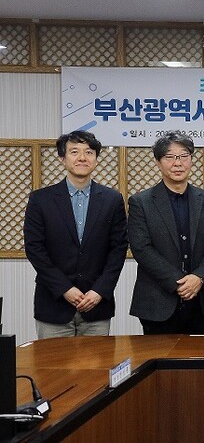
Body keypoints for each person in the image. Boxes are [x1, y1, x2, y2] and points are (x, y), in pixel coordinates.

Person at [23, 130, 128, 339]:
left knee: (97, 361)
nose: (82, 158)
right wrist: (64, 289)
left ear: (96, 159)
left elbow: (118, 249)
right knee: (54, 361)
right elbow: (34, 249)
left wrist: (99, 291)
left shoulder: (112, 199)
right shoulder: (40, 200)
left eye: (89, 152)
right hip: (53, 303)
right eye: (74, 152)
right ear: (62, 158)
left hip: (96, 305)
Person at [128, 132, 204, 335]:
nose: (177, 163)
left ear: (191, 159)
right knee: (158, 355)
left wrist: (199, 277)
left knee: (199, 354)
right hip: (157, 301)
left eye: (183, 156)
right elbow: (141, 248)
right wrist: (179, 282)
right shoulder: (141, 202)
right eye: (170, 157)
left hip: (199, 299)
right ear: (158, 162)